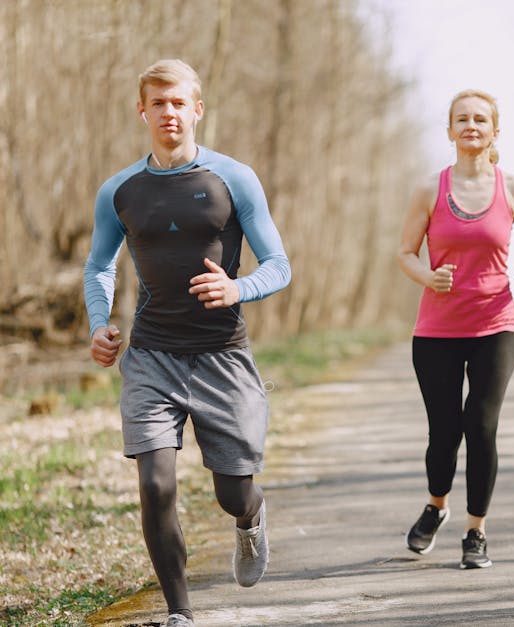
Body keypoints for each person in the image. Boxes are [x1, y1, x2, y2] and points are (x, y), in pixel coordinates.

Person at [83, 59, 291, 627]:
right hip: (151, 356)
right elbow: (100, 265)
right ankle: (181, 615)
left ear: (197, 108)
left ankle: (250, 521)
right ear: (142, 110)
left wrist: (237, 287)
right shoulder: (120, 191)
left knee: (232, 492)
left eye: (179, 103)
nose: (168, 113)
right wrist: (99, 323)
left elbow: (280, 265)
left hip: (222, 356)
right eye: (158, 103)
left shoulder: (233, 178)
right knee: (155, 482)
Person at [397, 89, 514, 569]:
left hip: (496, 324)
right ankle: (436, 505)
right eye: (461, 119)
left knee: (481, 426)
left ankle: (475, 530)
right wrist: (429, 276)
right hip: (436, 328)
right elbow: (404, 253)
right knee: (444, 431)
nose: (471, 126)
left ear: (494, 131)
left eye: (480, 119)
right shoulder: (429, 189)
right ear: (449, 131)